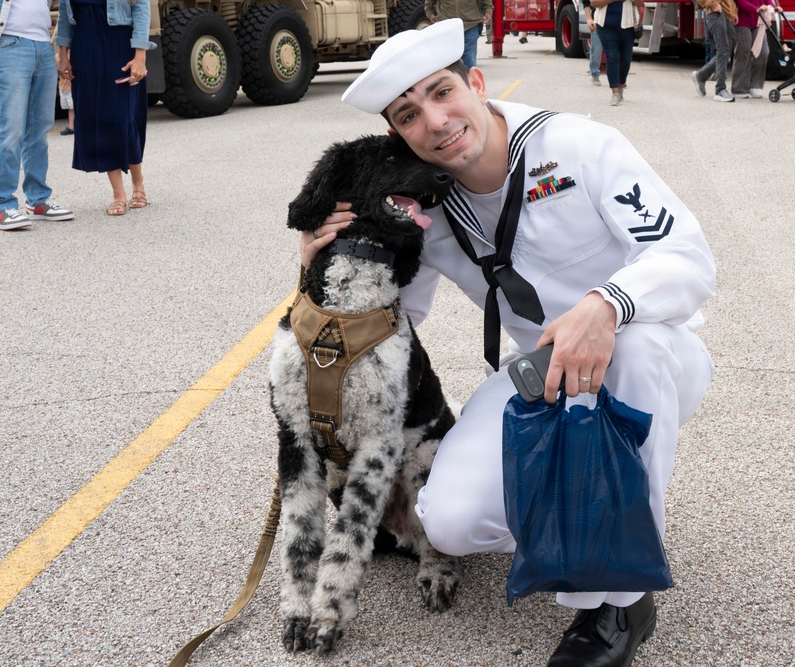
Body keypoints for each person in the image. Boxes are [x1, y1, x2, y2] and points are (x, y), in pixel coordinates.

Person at [303, 19, 716, 667]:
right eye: (410, 114)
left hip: (648, 355)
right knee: (449, 522)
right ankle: (570, 522)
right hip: (535, 372)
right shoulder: (423, 207)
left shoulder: (577, 146)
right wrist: (324, 267)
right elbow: (389, 321)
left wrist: (606, 303)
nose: (436, 121)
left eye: (443, 94)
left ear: (475, 81)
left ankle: (615, 600)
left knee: (632, 348)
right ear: (397, 133)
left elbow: (688, 255)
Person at [55, 0, 155, 217]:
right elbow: (65, 15)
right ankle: (118, 194)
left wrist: (140, 55)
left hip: (120, 44)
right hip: (85, 45)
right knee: (102, 118)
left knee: (124, 116)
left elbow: (141, 8)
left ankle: (138, 183)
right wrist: (63, 55)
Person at [0, 0, 75, 232]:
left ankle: (38, 199)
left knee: (39, 130)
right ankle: (0, 204)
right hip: (9, 43)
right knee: (10, 128)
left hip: (42, 44)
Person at [591, 0, 644, 105]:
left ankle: (621, 85)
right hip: (604, 26)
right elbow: (594, 3)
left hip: (628, 26)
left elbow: (640, 2)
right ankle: (615, 93)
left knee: (626, 59)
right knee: (612, 56)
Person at [691, 0, 738, 102]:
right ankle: (720, 90)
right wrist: (712, 3)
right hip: (715, 13)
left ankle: (701, 75)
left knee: (727, 51)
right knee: (724, 50)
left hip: (727, 14)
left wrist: (734, 11)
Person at [425, 0, 493, 69]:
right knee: (448, 62)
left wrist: (488, 10)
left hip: (470, 24)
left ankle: (469, 78)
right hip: (447, 25)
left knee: (469, 60)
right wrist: (429, 13)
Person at [730, 0, 770, 99]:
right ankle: (738, 88)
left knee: (763, 52)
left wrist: (772, 6)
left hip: (758, 21)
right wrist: (755, 9)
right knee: (743, 52)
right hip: (742, 21)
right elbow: (740, 1)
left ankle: (754, 86)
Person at [582, 0, 605, 85]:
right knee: (596, 49)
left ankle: (619, 78)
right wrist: (589, 19)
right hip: (597, 21)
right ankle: (595, 74)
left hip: (614, 21)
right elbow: (586, 2)